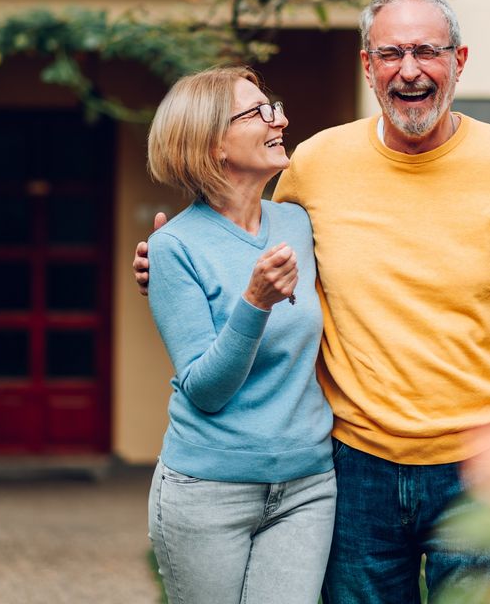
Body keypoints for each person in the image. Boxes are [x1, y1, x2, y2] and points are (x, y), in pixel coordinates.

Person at [135, 0, 490, 603]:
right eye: (390, 54)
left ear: (459, 61)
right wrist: (165, 267)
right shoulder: (316, 164)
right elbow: (240, 233)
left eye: (427, 51)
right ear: (368, 67)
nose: (409, 70)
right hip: (353, 469)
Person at [142, 66, 336, 604]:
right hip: (208, 490)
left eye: (273, 106)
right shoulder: (173, 247)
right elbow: (205, 389)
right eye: (259, 112)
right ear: (211, 144)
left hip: (307, 485)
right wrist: (254, 303)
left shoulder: (298, 222)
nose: (282, 119)